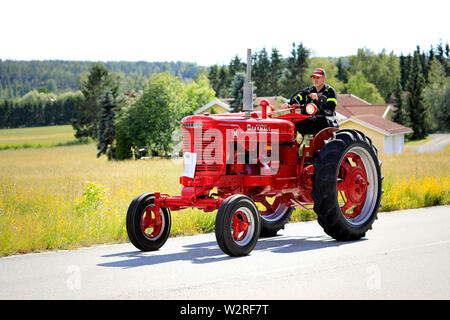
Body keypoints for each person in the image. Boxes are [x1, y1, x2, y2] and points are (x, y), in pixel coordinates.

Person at [292, 68, 339, 136]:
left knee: (321, 120)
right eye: (314, 78)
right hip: (310, 122)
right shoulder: (308, 90)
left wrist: (318, 99)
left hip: (326, 123)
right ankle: (281, 144)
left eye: (318, 77)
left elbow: (330, 110)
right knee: (292, 122)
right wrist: (288, 103)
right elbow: (296, 99)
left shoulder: (330, 91)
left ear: (324, 79)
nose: (315, 80)